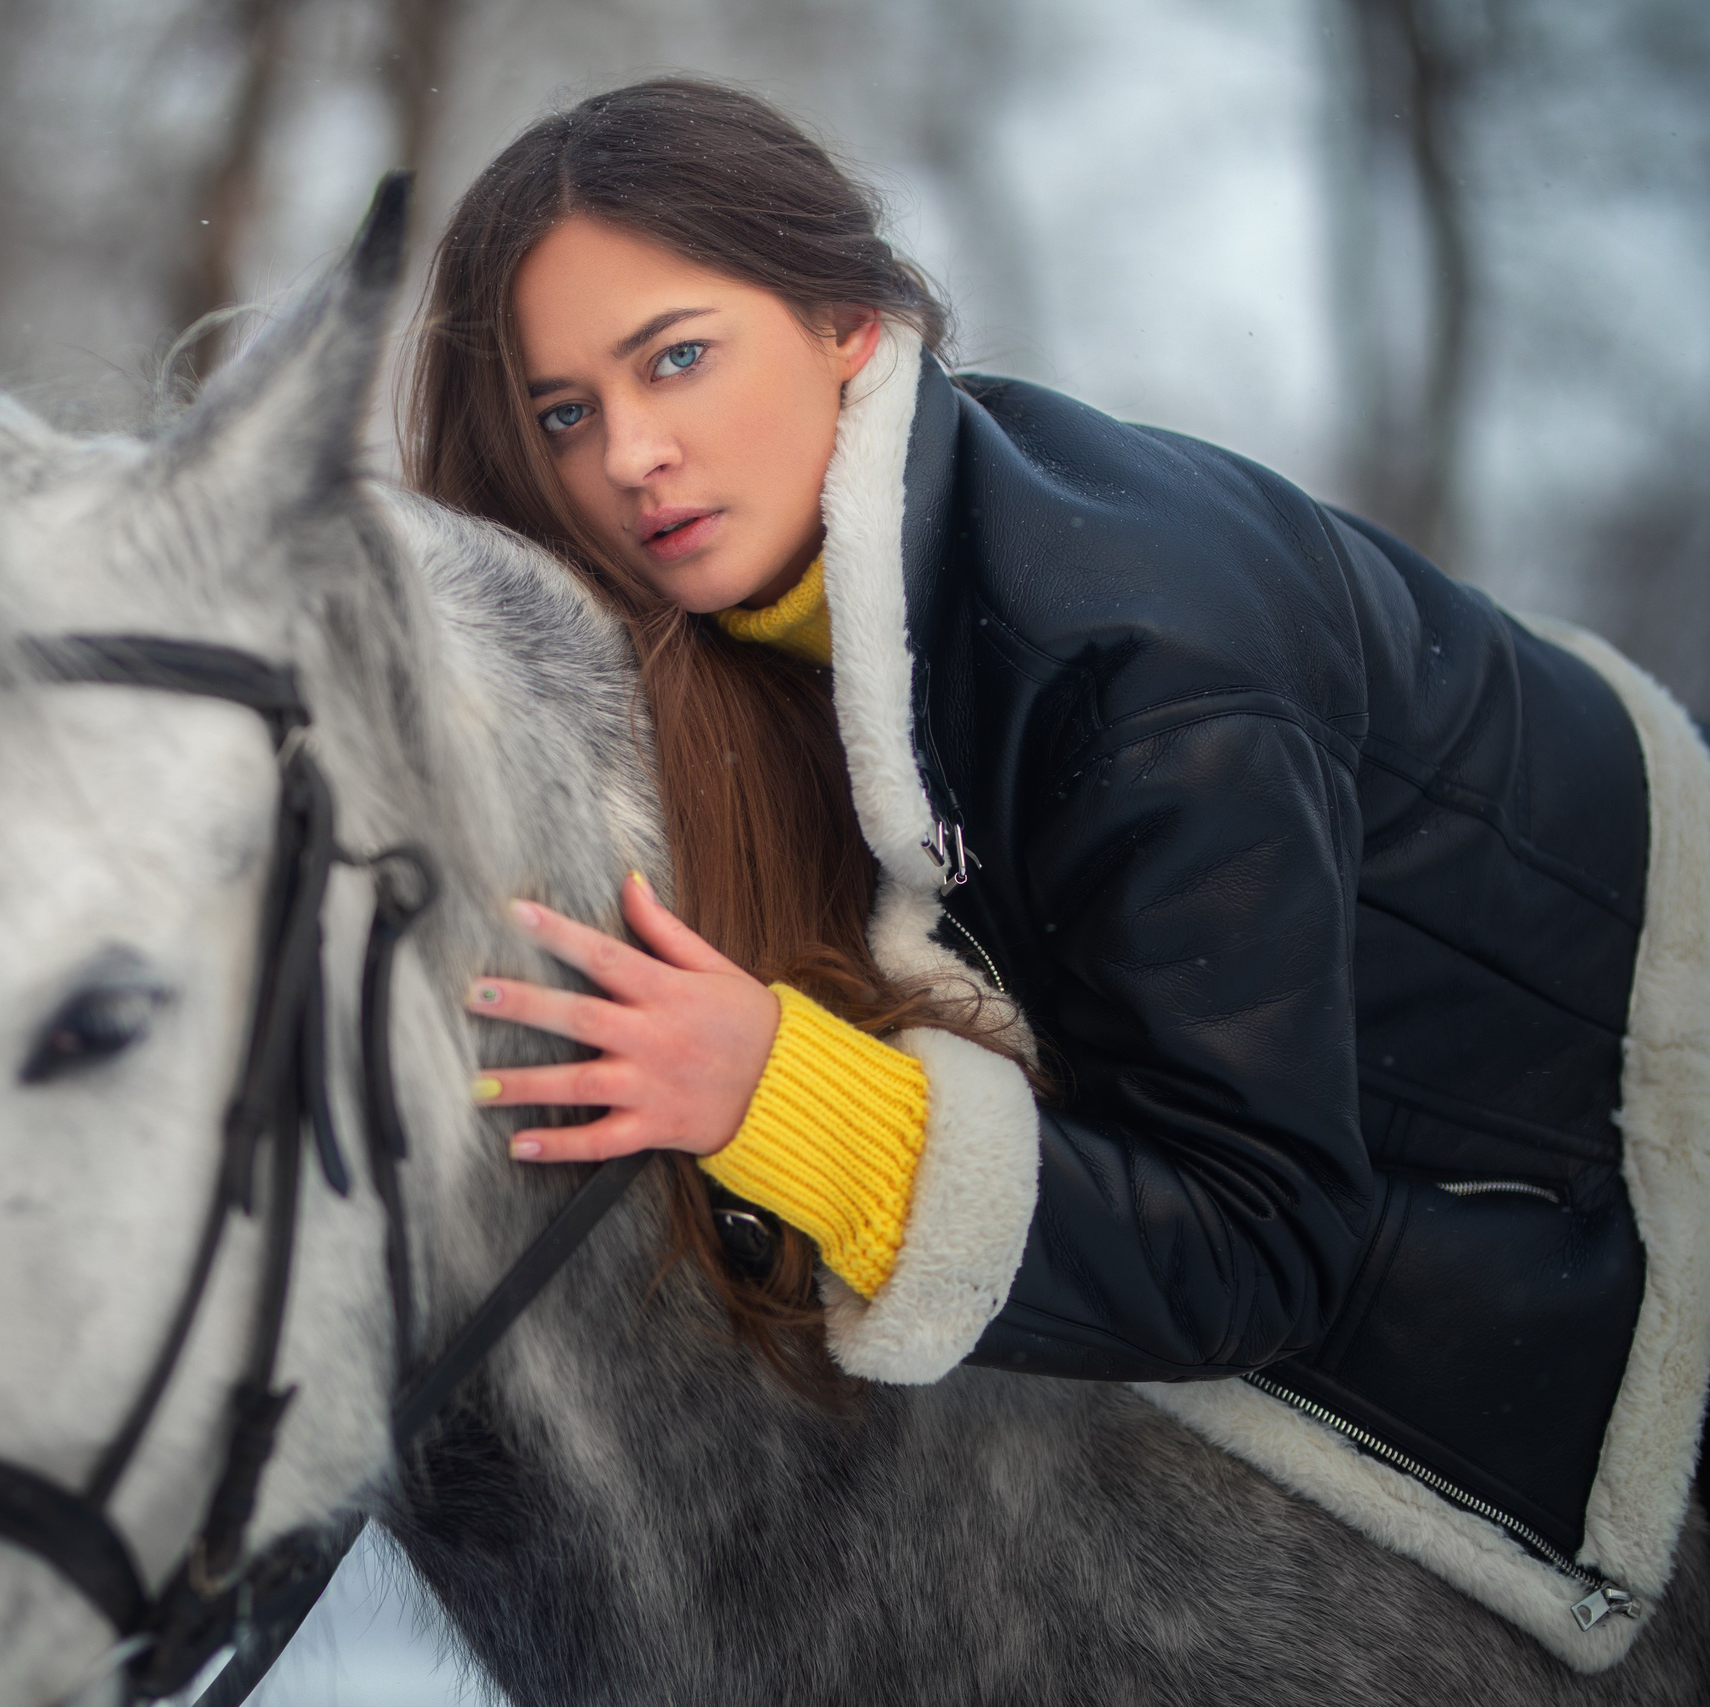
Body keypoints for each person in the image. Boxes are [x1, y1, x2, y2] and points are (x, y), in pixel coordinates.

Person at [409, 78, 1710, 1661]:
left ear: (846, 321)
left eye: (676, 356)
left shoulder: (1130, 657)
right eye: (564, 413)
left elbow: (1263, 1239)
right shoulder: (762, 622)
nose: (630, 454)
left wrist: (782, 1097)